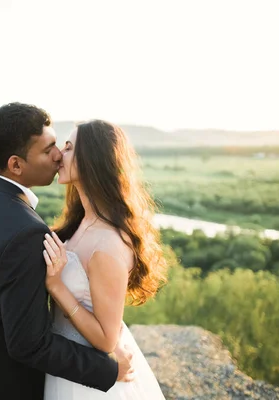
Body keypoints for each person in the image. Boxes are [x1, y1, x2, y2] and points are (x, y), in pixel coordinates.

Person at [0, 103, 135, 399]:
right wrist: (107, 370)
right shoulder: (27, 233)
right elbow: (28, 343)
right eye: (49, 150)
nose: (58, 155)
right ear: (16, 165)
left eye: (61, 145)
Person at [41, 119, 168, 399]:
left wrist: (57, 287)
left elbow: (106, 338)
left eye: (69, 147)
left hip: (90, 382)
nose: (60, 155)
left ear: (92, 160)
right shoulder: (80, 222)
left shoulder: (107, 244)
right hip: (68, 366)